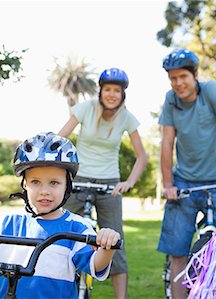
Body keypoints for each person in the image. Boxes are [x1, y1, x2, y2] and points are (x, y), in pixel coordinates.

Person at [0, 132, 121, 299]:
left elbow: (95, 264)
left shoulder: (76, 227)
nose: (44, 191)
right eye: (36, 182)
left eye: (54, 183)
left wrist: (107, 246)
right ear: (25, 185)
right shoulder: (8, 224)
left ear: (67, 186)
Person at [157, 48, 216, 298]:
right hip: (183, 184)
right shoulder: (170, 100)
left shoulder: (210, 91)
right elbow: (167, 142)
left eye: (183, 77)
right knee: (178, 252)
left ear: (195, 75)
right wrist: (168, 184)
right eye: (173, 78)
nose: (178, 83)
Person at [58, 67, 148, 299]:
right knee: (61, 234)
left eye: (116, 91)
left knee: (115, 242)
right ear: (100, 91)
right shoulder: (85, 109)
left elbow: (142, 156)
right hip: (77, 181)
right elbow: (59, 140)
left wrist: (128, 182)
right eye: (107, 89)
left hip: (109, 185)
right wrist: (61, 174)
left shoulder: (127, 118)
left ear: (122, 94)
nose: (111, 94)